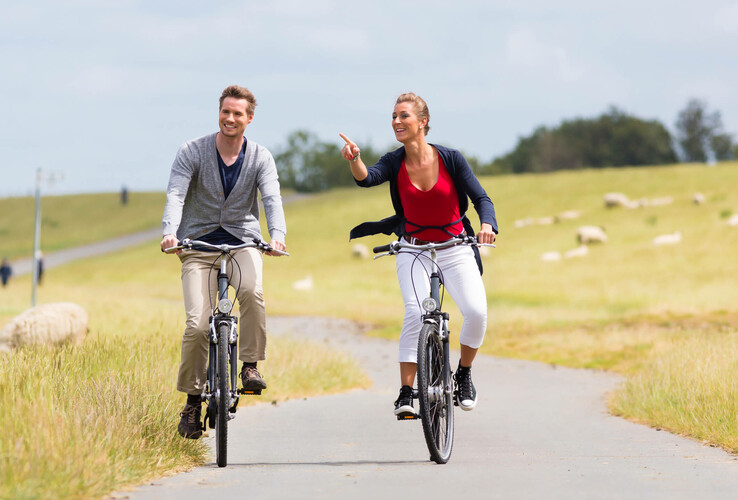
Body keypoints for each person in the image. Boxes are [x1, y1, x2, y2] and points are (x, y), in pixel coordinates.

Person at [340, 92, 498, 416]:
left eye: (404, 116)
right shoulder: (394, 161)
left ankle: (464, 374)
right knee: (415, 313)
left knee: (477, 312)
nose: (396, 122)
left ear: (422, 122)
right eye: (394, 116)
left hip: (455, 247)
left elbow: (482, 198)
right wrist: (355, 159)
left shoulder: (451, 158)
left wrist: (487, 225)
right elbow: (367, 178)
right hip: (413, 249)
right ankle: (406, 392)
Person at [161, 84, 287, 439]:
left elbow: (272, 198)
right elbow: (176, 193)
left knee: (252, 292)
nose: (230, 118)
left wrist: (277, 235)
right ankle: (191, 401)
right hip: (197, 246)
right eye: (225, 112)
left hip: (242, 242)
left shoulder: (261, 157)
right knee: (197, 326)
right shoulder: (192, 151)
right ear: (219, 113)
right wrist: (171, 231)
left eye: (237, 113)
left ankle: (249, 366)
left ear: (249, 118)